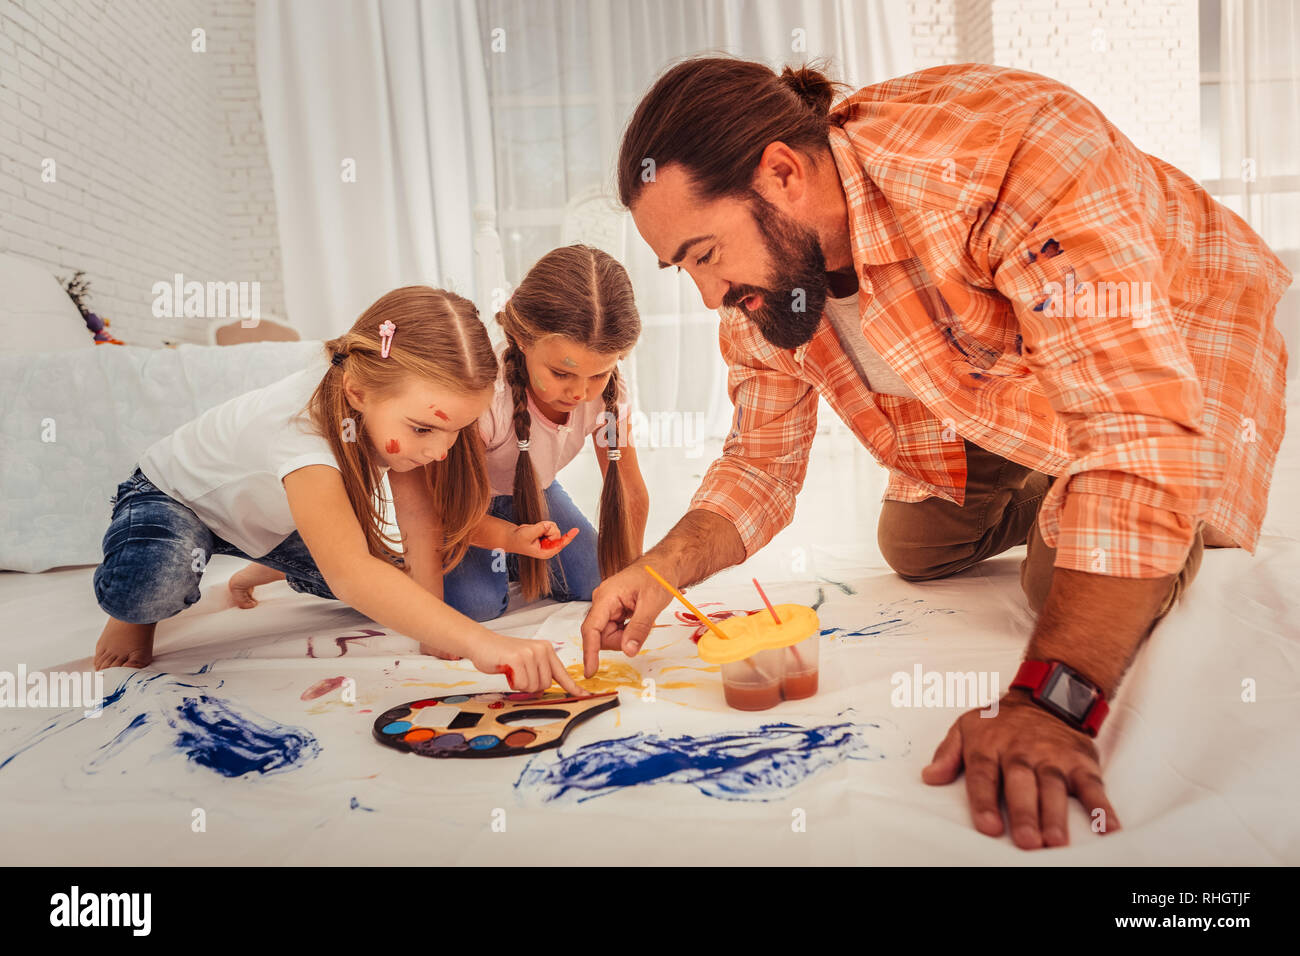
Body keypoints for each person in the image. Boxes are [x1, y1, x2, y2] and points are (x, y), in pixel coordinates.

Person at [581, 56, 1290, 848]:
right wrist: (659, 569)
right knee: (916, 544)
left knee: (1067, 576)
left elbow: (1134, 426)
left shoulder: (1005, 157)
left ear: (781, 173)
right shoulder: (767, 291)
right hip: (1015, 369)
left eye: (705, 255)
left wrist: (1046, 704)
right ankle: (1058, 467)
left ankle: (1080, 484)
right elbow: (758, 465)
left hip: (1185, 326)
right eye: (686, 269)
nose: (710, 296)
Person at [92, 285, 585, 695]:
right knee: (155, 582)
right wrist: (484, 643)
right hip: (174, 501)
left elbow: (419, 523)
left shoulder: (390, 401)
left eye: (458, 430)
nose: (441, 452)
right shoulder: (301, 431)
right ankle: (130, 615)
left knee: (395, 589)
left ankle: (254, 572)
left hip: (273, 522)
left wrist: (434, 633)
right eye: (424, 430)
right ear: (356, 393)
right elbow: (351, 575)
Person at [442, 244, 650, 621]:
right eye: (561, 373)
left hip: (533, 492)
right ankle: (389, 560)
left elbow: (630, 489)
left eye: (598, 374)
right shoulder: (487, 393)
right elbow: (450, 510)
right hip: (465, 508)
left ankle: (518, 556)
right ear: (522, 339)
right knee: (477, 606)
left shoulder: (607, 395)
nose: (580, 393)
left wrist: (630, 574)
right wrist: (506, 537)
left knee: (597, 580)